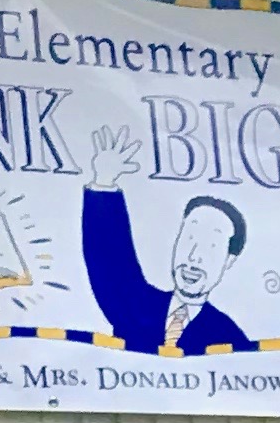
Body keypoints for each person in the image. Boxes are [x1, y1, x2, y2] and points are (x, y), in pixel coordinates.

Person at [81, 126, 255, 358]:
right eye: (189, 239)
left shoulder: (228, 338)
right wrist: (104, 185)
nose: (193, 256)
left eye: (210, 246)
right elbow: (110, 264)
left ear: (229, 260)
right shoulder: (138, 304)